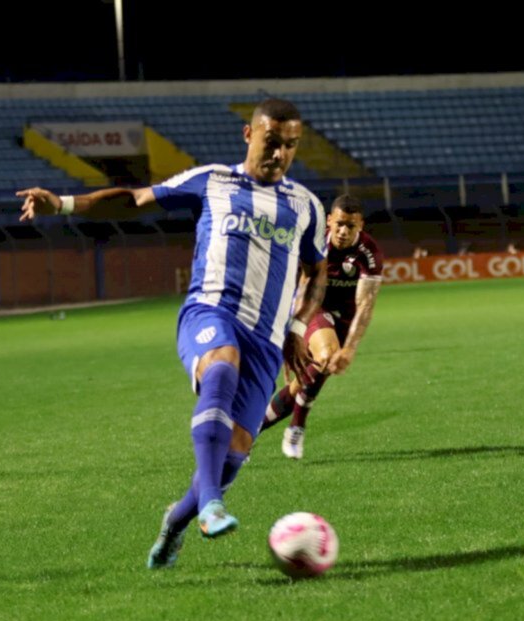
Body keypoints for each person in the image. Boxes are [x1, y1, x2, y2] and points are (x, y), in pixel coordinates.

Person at [16, 98, 329, 570]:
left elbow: (317, 270)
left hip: (265, 341)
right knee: (220, 365)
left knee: (233, 457)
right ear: (248, 135)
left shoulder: (306, 205)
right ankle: (210, 507)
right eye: (271, 142)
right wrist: (61, 203)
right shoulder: (213, 180)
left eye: (290, 146)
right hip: (210, 310)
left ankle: (178, 521)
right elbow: (135, 199)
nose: (279, 154)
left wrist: (296, 327)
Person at [259, 195, 384, 458]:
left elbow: (365, 305)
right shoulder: (313, 242)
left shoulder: (369, 253)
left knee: (304, 382)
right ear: (329, 220)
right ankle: (297, 427)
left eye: (351, 226)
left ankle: (248, 432)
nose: (343, 231)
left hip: (345, 319)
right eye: (339, 223)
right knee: (327, 356)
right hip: (316, 309)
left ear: (360, 225)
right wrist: (290, 330)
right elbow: (295, 285)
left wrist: (350, 348)